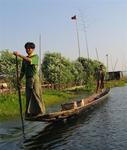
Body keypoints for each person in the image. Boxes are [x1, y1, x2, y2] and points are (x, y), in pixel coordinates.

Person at [13, 42, 45, 119]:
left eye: (29, 48)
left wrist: (19, 55)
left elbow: (30, 60)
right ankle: (30, 114)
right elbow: (23, 71)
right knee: (29, 96)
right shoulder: (24, 60)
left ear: (33, 49)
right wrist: (19, 80)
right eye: (27, 48)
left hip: (34, 78)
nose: (28, 49)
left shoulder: (35, 57)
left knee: (36, 94)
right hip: (28, 79)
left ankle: (40, 112)